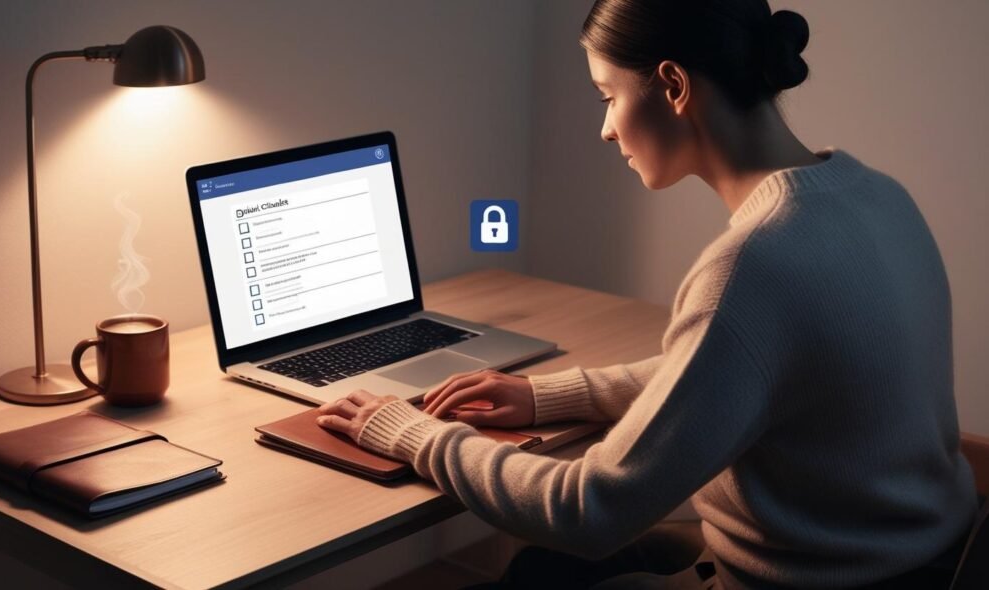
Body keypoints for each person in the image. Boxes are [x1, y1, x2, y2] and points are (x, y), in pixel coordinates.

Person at [317, 0, 978, 587]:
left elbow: (589, 510)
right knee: (542, 571)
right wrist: (549, 395)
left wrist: (411, 434)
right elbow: (743, 368)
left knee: (544, 566)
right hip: (920, 560)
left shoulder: (755, 263)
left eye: (607, 94)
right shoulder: (875, 196)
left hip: (815, 576)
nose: (605, 129)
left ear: (672, 86)